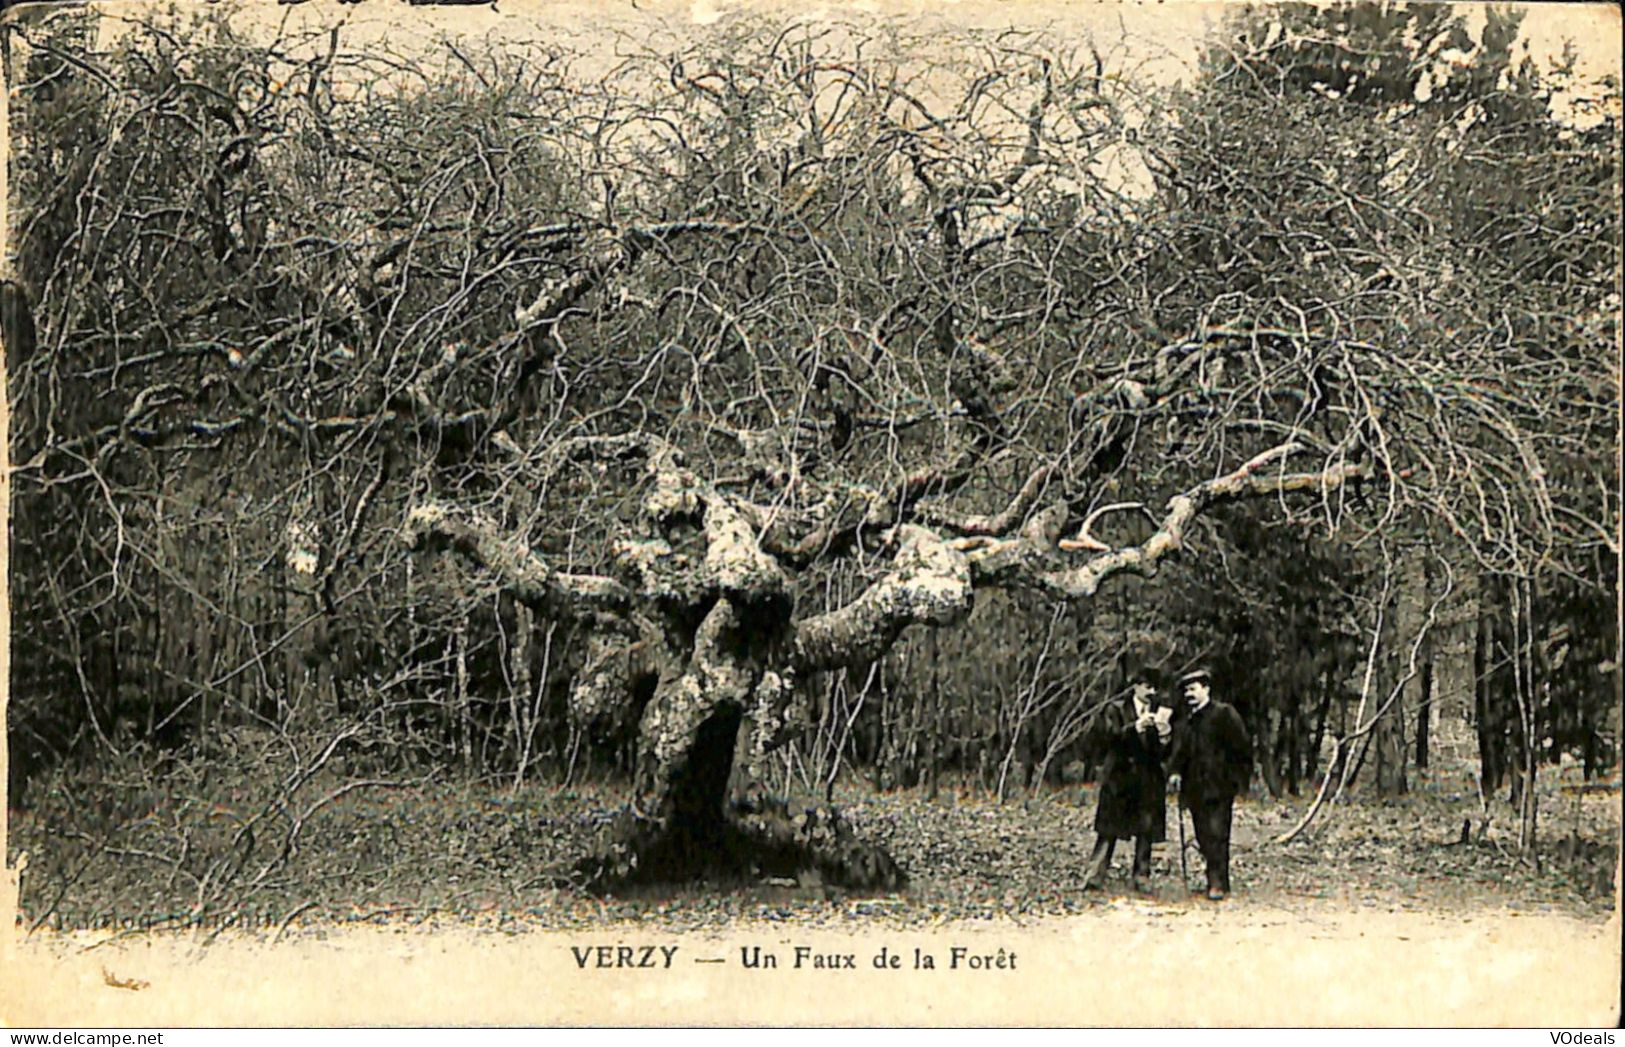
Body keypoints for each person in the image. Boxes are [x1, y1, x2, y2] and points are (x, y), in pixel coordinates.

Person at [1083, 673, 1174, 894]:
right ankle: (1094, 875)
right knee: (1108, 830)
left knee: (1146, 830)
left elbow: (1161, 753)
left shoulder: (1157, 712)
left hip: (1145, 781)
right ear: (1135, 687)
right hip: (1119, 780)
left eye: (1154, 689)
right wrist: (1135, 727)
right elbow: (1107, 738)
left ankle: (1141, 876)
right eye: (1147, 687)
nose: (1151, 693)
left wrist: (1164, 735)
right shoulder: (1115, 709)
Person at [1167, 667, 1252, 901]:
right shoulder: (1187, 721)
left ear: (1206, 689)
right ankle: (1216, 880)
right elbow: (1179, 753)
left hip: (1219, 787)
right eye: (1186, 691)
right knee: (1203, 835)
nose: (1189, 695)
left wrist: (1236, 780)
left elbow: (1242, 747)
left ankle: (1217, 882)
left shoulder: (1224, 714)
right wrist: (1174, 773)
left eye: (1193, 689)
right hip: (1194, 788)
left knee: (1217, 834)